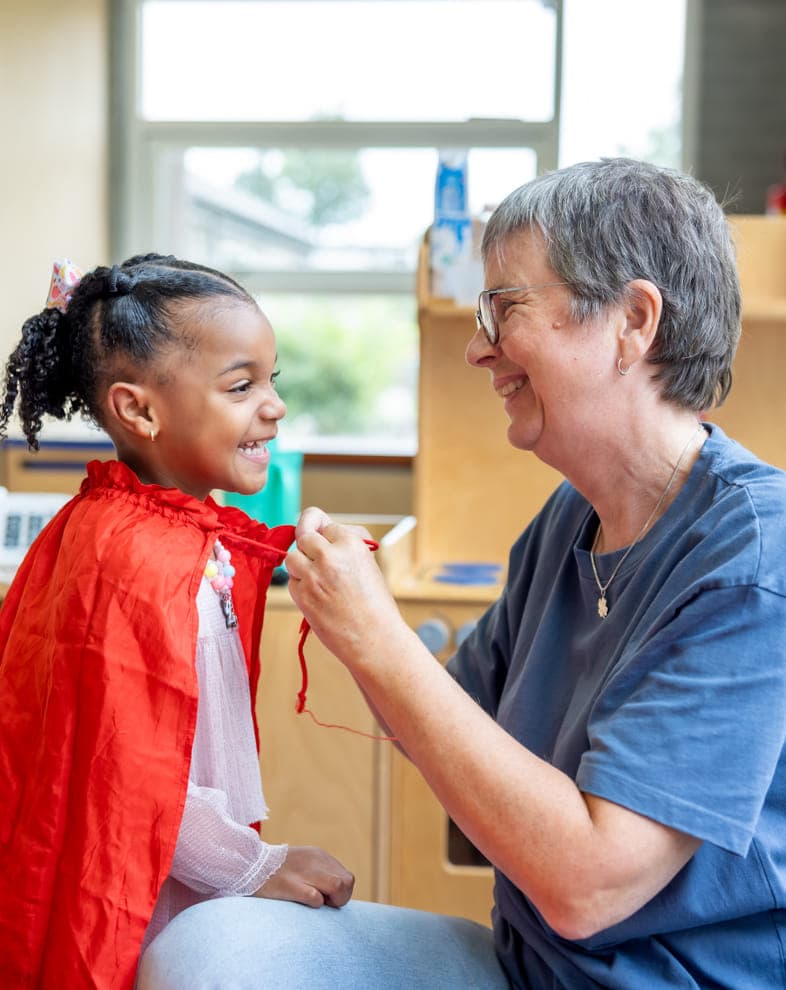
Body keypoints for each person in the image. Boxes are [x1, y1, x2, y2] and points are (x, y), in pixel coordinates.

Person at [141, 158, 786, 989]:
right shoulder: (568, 521)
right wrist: (352, 624)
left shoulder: (755, 560)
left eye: (505, 309)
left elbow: (590, 888)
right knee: (206, 950)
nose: (479, 348)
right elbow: (449, 728)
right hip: (532, 971)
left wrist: (377, 636)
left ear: (633, 319)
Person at [0, 254, 356, 990]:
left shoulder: (162, 533)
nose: (275, 405)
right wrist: (256, 865)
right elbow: (137, 775)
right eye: (241, 385)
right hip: (147, 887)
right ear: (139, 410)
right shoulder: (129, 560)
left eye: (272, 379)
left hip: (180, 867)